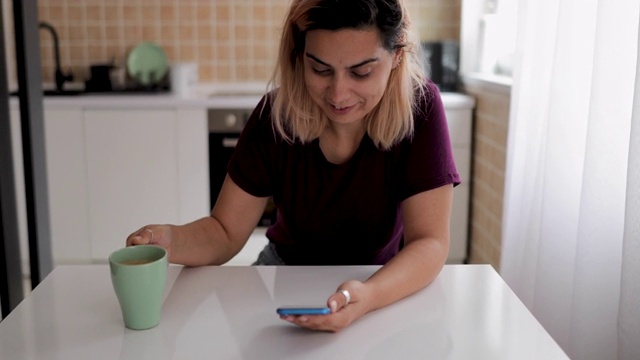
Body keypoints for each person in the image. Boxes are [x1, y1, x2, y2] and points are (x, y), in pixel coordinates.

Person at [127, 0, 459, 332]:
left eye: (362, 72)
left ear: (397, 55)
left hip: (381, 276)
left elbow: (429, 242)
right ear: (298, 56)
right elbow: (225, 231)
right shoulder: (275, 114)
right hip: (283, 268)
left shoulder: (422, 108)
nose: (338, 94)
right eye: (320, 69)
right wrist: (169, 239)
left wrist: (368, 296)